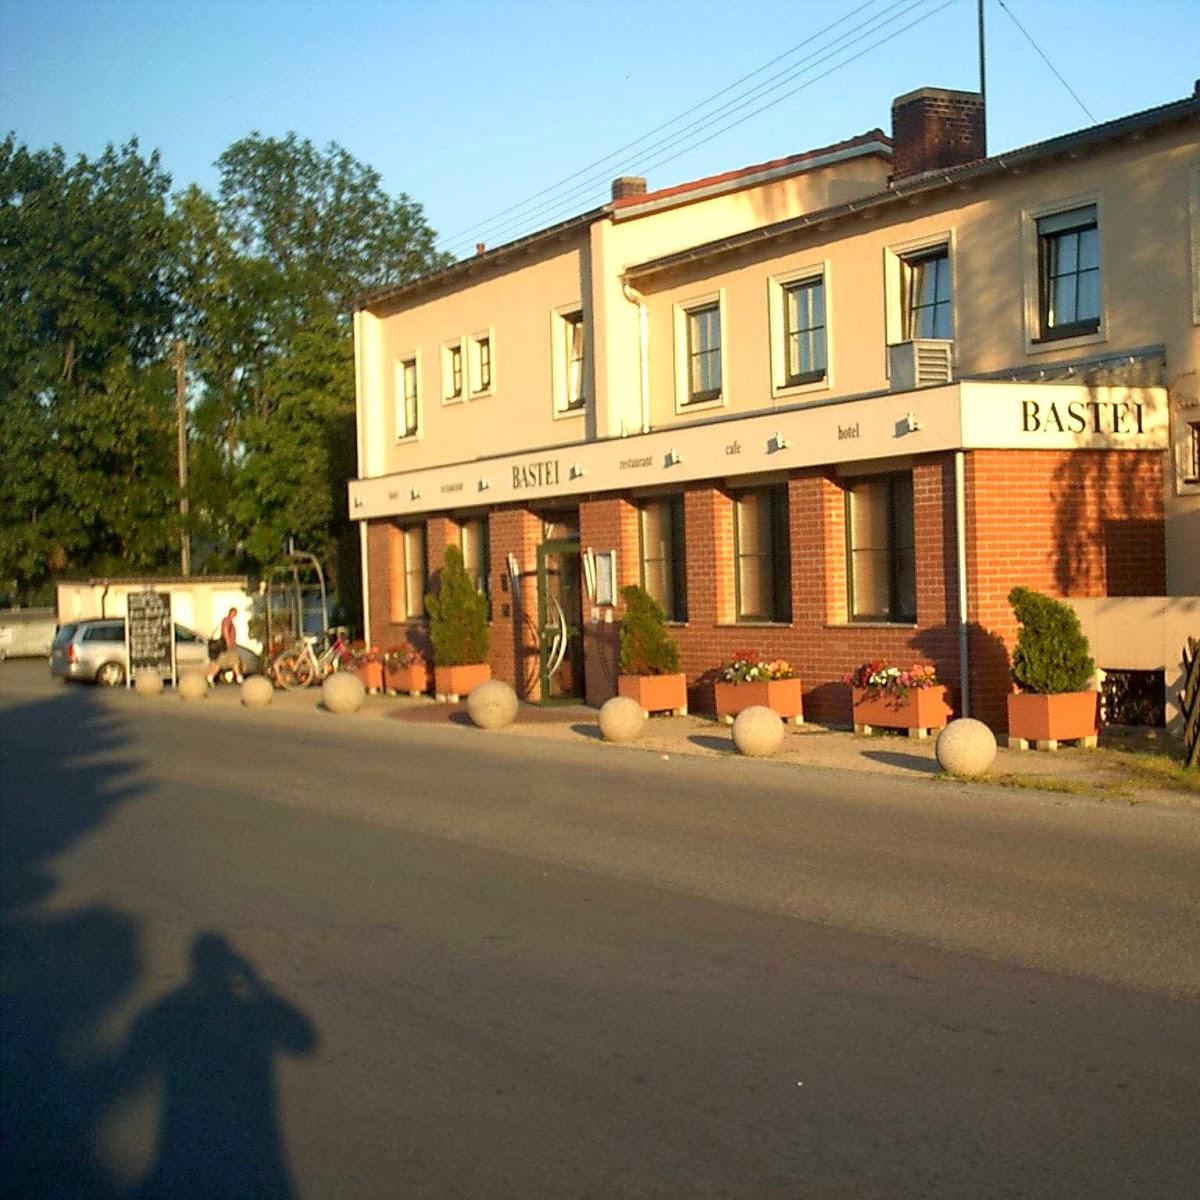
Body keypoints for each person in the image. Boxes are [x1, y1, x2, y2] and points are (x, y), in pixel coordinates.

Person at [207, 606, 244, 685]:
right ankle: (239, 679)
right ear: (232, 612)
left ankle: (210, 677)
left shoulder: (228, 620)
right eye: (235, 613)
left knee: (223, 663)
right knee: (234, 662)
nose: (235, 615)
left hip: (229, 646)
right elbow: (225, 630)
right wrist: (228, 642)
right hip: (228, 646)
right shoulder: (227, 620)